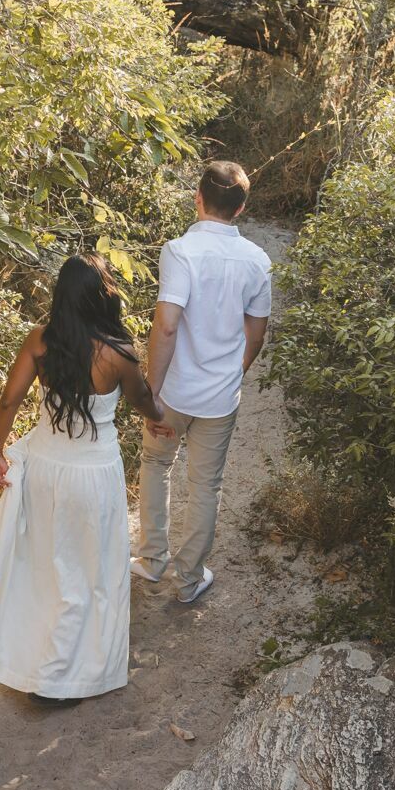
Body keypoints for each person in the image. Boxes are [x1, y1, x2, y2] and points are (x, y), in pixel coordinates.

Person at [0, 255, 168, 703]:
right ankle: (63, 677)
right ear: (101, 296)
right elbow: (143, 398)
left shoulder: (40, 341)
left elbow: (9, 401)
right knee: (91, 572)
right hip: (92, 473)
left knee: (44, 566)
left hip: (45, 468)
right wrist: (158, 419)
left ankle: (30, 664)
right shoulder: (118, 353)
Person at [132, 161, 271, 604]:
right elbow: (258, 333)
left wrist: (149, 393)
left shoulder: (179, 251)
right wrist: (235, 372)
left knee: (156, 465)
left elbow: (166, 326)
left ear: (197, 198)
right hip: (219, 397)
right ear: (241, 208)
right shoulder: (258, 260)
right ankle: (189, 580)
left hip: (173, 390)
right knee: (206, 485)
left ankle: (152, 561)